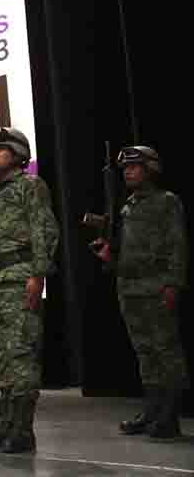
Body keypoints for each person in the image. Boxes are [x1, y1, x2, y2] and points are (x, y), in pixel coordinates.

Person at [90, 145, 189, 440]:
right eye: (126, 169)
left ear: (150, 169)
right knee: (144, 352)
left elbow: (177, 246)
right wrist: (110, 256)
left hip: (156, 286)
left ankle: (169, 415)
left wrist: (173, 283)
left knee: (165, 351)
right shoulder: (127, 206)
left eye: (135, 167)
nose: (129, 172)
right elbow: (126, 248)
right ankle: (153, 408)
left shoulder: (166, 202)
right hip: (129, 287)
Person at [0, 127, 58, 454]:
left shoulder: (30, 186)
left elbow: (44, 230)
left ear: (19, 154)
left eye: (0, 149)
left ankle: (22, 430)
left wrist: (38, 275)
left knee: (20, 355)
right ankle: (6, 423)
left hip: (20, 276)